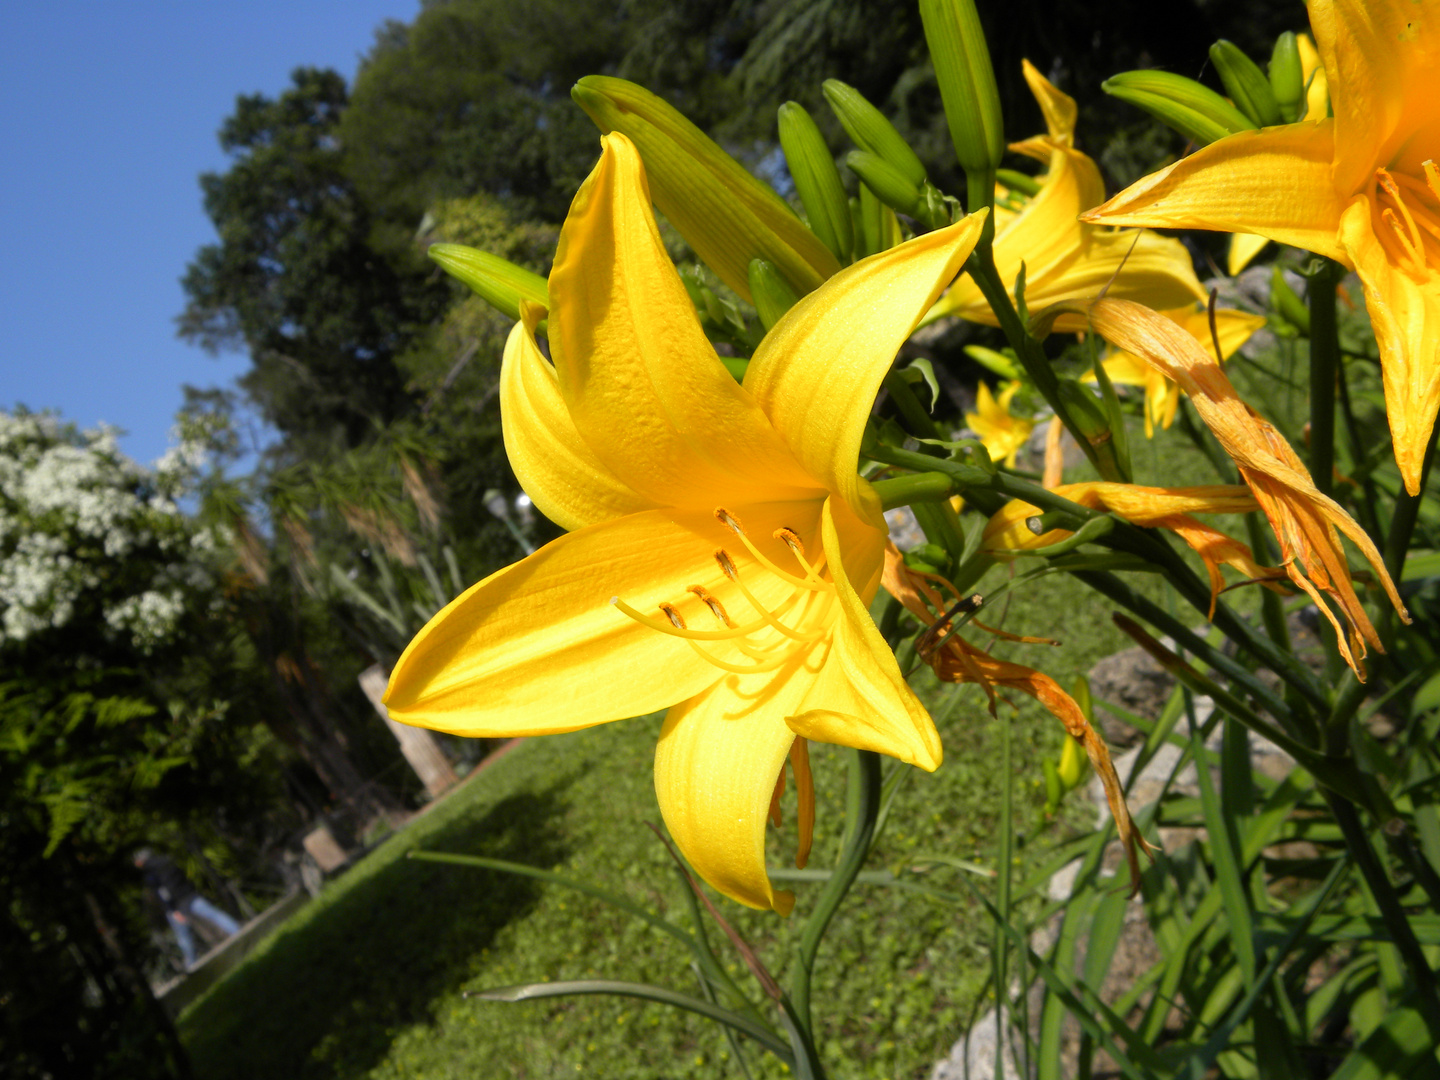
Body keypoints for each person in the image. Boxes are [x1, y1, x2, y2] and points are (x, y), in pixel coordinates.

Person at [134, 848, 241, 969]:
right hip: (190, 895)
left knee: (184, 936)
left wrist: (172, 910)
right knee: (215, 915)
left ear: (141, 860)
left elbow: (162, 892)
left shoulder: (151, 873)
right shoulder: (167, 861)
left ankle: (191, 964)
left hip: (176, 904)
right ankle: (237, 931)